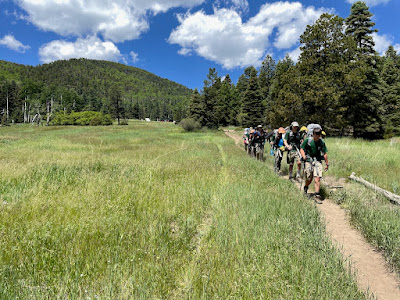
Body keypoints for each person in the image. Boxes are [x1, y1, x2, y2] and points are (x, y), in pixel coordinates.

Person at [300, 128, 329, 203]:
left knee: (317, 178)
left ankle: (316, 195)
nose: (318, 136)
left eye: (319, 135)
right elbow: (302, 149)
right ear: (313, 134)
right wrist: (304, 156)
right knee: (309, 178)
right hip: (308, 160)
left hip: (317, 161)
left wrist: (327, 164)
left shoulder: (321, 142)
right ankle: (306, 187)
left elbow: (324, 153)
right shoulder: (308, 140)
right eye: (317, 134)